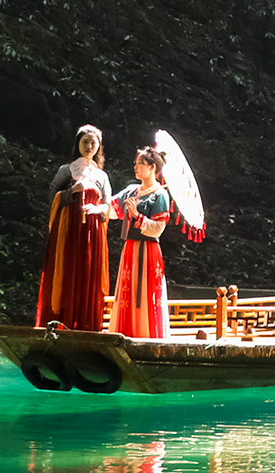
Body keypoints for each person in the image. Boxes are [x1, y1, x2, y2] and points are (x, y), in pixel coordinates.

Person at [33, 126, 114, 329]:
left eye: (93, 143)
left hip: (91, 234)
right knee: (66, 269)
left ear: (99, 147)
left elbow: (109, 206)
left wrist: (97, 210)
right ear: (78, 143)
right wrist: (70, 192)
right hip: (67, 232)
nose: (89, 147)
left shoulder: (101, 176)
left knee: (88, 271)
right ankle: (60, 320)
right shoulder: (65, 170)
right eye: (85, 142)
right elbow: (52, 197)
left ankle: (85, 322)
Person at [109, 141, 178, 338]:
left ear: (152, 167)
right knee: (127, 291)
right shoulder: (133, 190)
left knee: (146, 293)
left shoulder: (160, 195)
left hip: (148, 250)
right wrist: (97, 208)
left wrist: (136, 215)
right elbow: (113, 208)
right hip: (130, 248)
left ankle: (146, 334)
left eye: (139, 163)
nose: (135, 167)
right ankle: (125, 331)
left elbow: (157, 230)